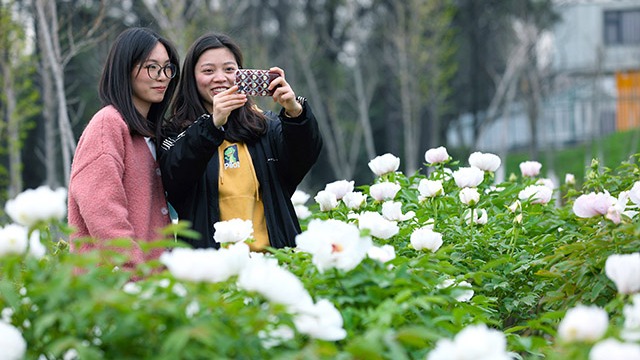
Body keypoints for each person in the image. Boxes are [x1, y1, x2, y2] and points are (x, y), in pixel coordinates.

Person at [159, 32, 322, 251]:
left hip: (274, 261)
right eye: (208, 71)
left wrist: (295, 112)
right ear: (191, 78)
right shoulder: (175, 132)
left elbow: (303, 157)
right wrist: (211, 125)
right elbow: (173, 178)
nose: (220, 78)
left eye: (229, 69)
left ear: (242, 74)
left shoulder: (265, 126)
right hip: (212, 271)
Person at [67, 27, 180, 269]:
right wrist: (134, 274)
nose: (162, 76)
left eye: (167, 68)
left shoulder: (148, 133)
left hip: (150, 289)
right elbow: (103, 213)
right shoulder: (108, 124)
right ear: (125, 69)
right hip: (114, 289)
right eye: (151, 67)